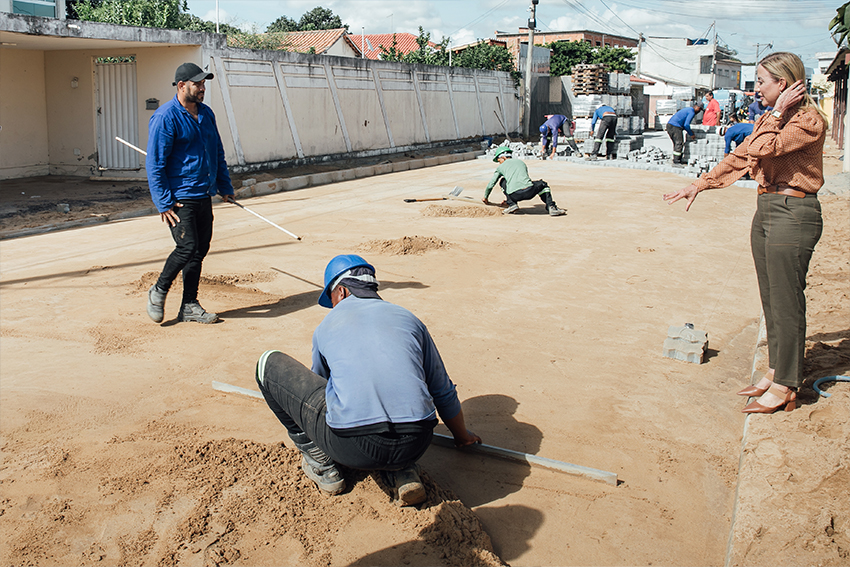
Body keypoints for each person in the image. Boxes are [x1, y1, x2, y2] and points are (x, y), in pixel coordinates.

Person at [663, 52, 828, 414]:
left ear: (782, 85)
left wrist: (775, 114)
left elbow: (761, 147)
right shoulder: (775, 120)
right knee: (772, 300)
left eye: (763, 82)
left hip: (794, 212)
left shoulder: (807, 121)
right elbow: (742, 156)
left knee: (787, 302)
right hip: (768, 209)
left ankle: (787, 385)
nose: (756, 89)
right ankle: (775, 369)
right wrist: (700, 185)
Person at [255, 255, 481, 505]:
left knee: (267, 363)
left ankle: (322, 464)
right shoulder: (410, 319)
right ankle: (401, 469)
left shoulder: (326, 325)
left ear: (340, 291)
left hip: (352, 447)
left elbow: (319, 387)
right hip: (417, 443)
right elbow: (442, 390)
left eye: (331, 298)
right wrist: (462, 436)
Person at [145, 62, 235, 325]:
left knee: (200, 250)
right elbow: (155, 164)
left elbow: (216, 152)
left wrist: (224, 186)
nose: (202, 88)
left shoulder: (206, 114)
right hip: (179, 198)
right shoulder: (165, 117)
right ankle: (159, 290)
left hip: (203, 193)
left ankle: (189, 306)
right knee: (187, 247)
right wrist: (163, 203)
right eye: (198, 84)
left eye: (204, 84)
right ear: (182, 86)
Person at [483, 147, 566, 216]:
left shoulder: (500, 168)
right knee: (543, 184)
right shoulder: (521, 162)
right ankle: (551, 207)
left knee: (503, 181)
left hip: (514, 195)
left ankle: (512, 204)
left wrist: (485, 197)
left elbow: (491, 184)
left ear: (503, 157)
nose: (499, 163)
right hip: (529, 191)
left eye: (499, 160)